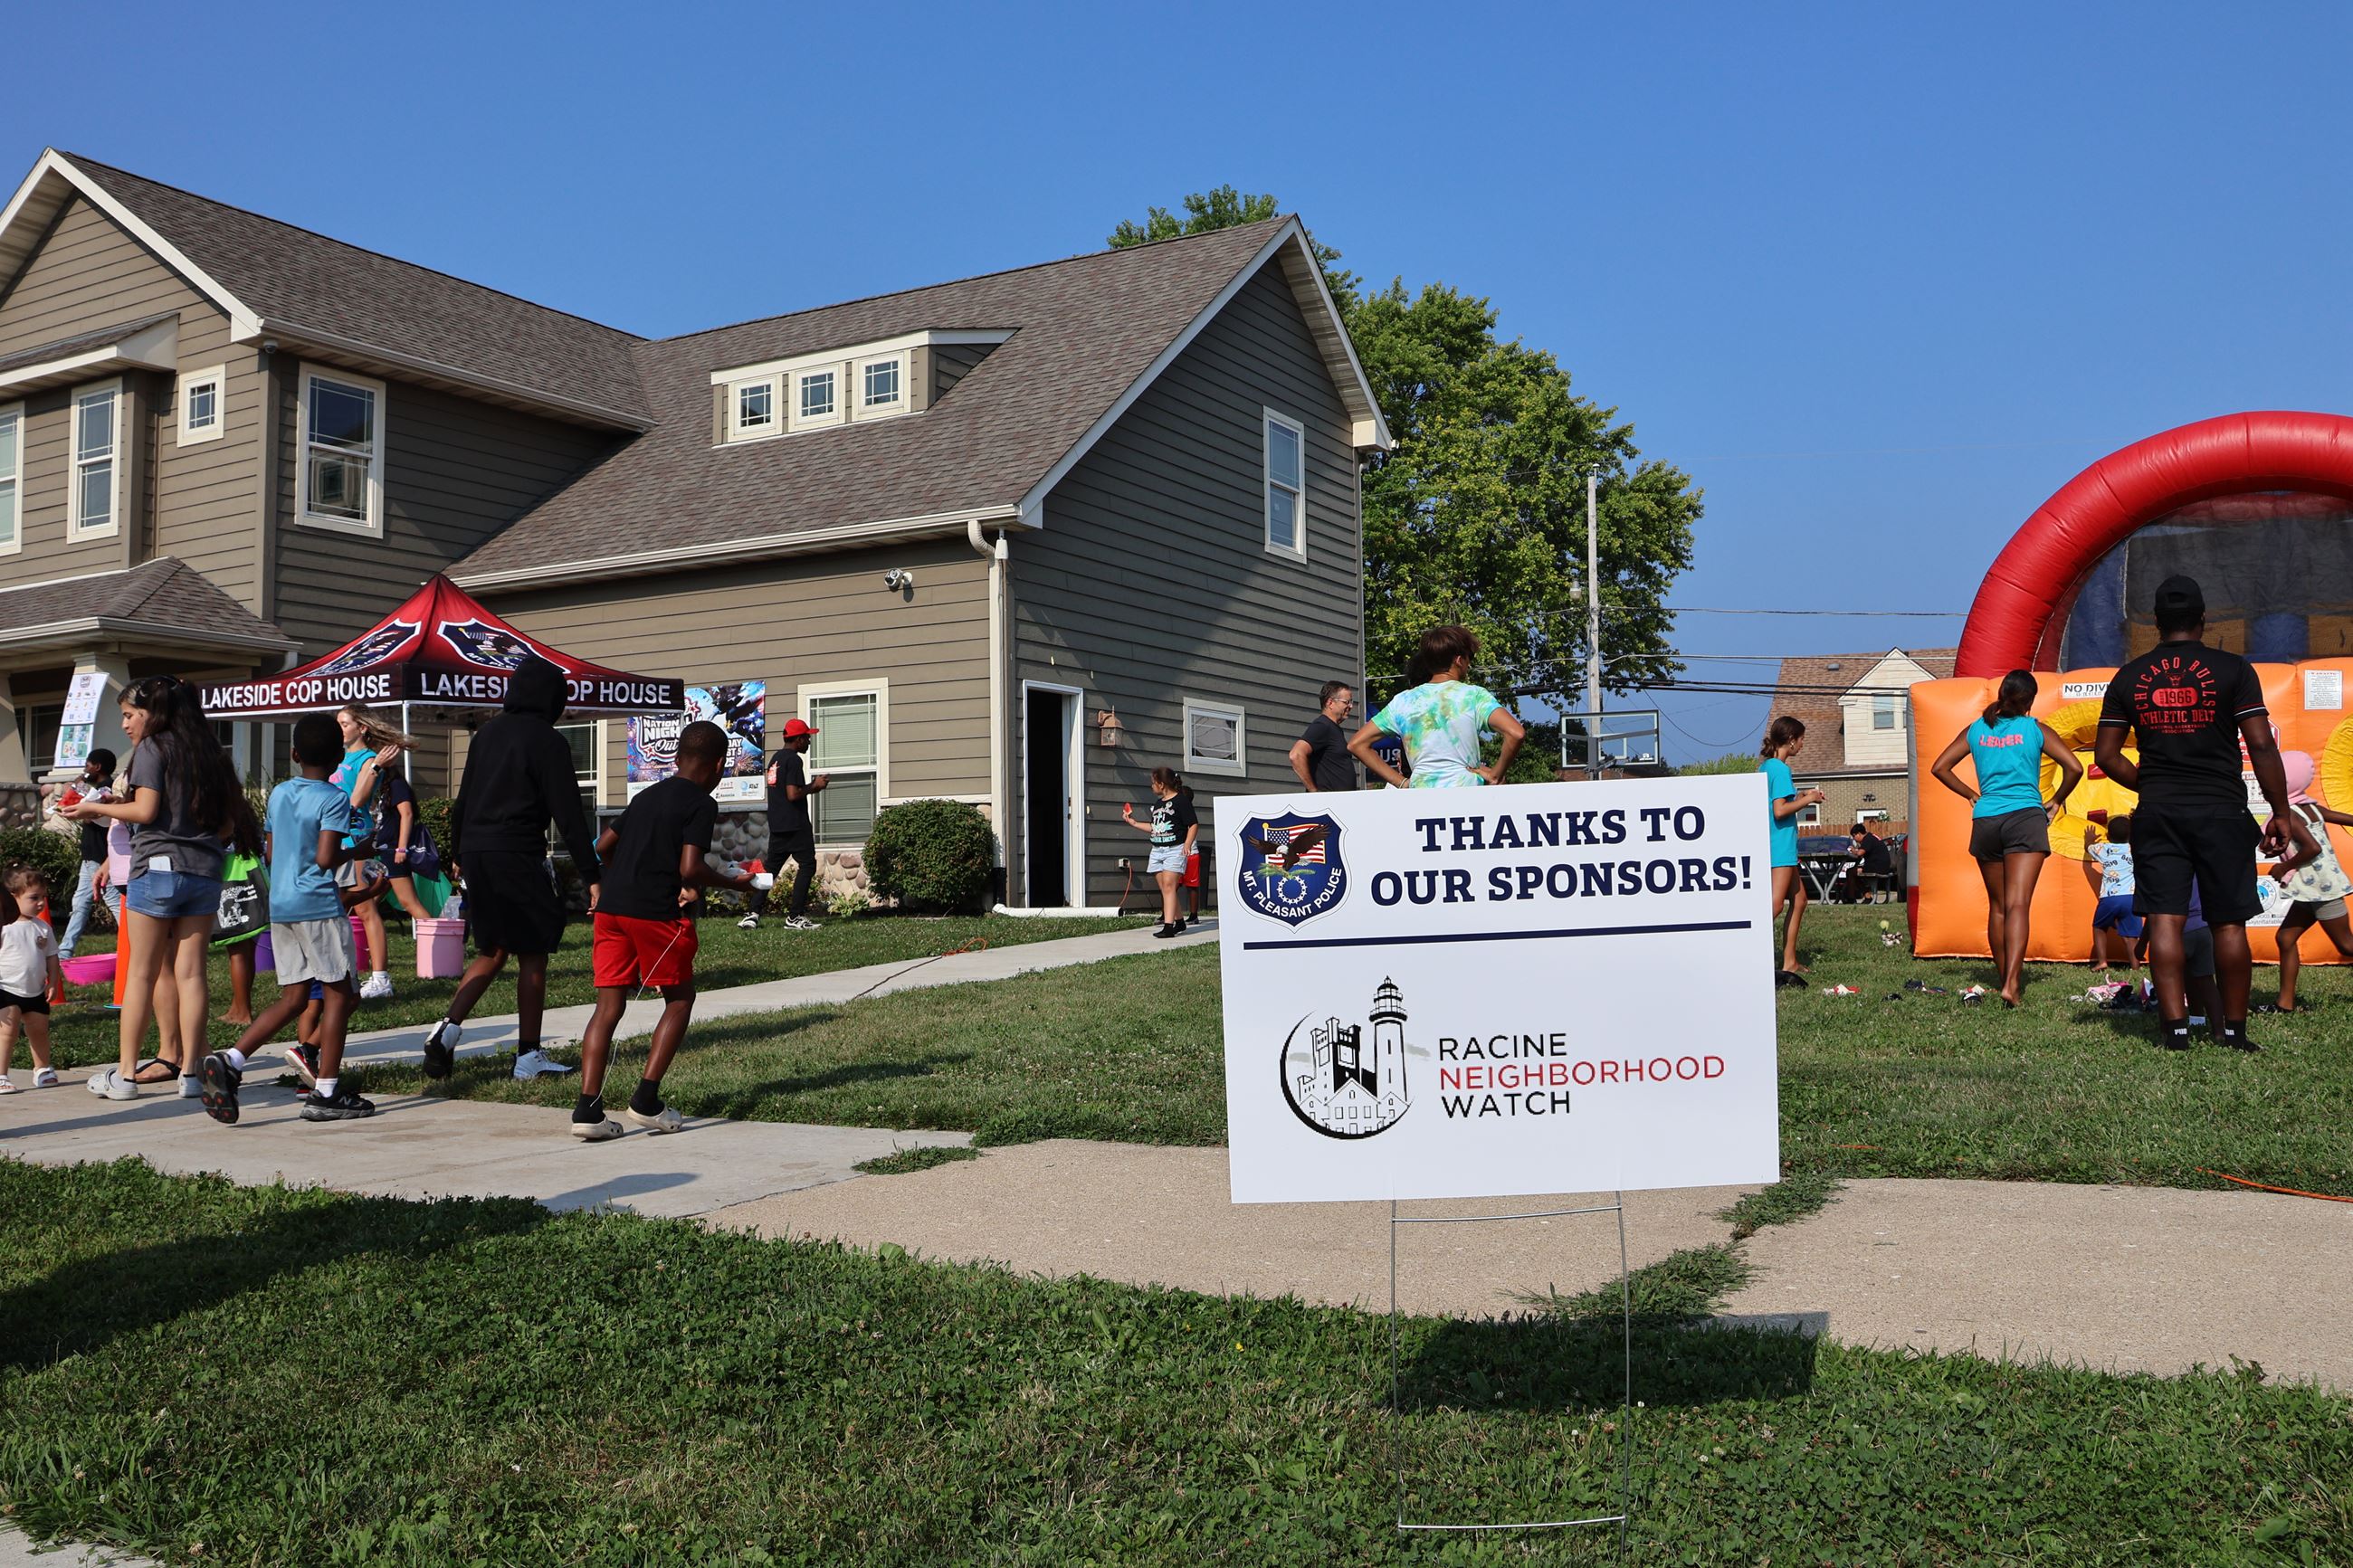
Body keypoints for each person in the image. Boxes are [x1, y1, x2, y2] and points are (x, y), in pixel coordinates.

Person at [2093, 575, 2315, 1051]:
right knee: (2228, 923)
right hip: (2221, 809)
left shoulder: (2129, 677)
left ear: (2155, 622)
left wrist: (2150, 783)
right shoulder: (2233, 670)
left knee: (2167, 920)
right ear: (2203, 618)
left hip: (2158, 814)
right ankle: (2233, 1031)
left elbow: (2107, 756)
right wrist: (2280, 811)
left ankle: (2174, 1031)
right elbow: (2259, 743)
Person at [67, 677, 259, 1100]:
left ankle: (125, 1077)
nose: (126, 724)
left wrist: (93, 807)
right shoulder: (211, 753)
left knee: (141, 972)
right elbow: (228, 824)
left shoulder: (153, 748)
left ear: (154, 712)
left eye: (130, 715)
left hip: (156, 870)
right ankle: (191, 1074)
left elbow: (148, 809)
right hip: (206, 871)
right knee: (192, 973)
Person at [569, 721, 757, 1142]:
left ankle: (588, 1110)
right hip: (653, 913)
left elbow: (602, 848)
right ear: (719, 766)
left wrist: (627, 877)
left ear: (676, 759)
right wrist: (735, 882)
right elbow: (691, 867)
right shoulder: (701, 804)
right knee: (679, 998)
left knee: (607, 1008)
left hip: (612, 910)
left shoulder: (647, 795)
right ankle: (646, 1101)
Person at [423, 656, 603, 1080]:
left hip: (477, 854)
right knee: (534, 953)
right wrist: (593, 874)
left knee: (494, 948)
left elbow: (463, 799)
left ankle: (445, 1033)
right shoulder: (548, 741)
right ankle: (528, 1056)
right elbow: (569, 815)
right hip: (517, 854)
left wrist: (460, 853)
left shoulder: (485, 735)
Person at [198, 715, 384, 1125]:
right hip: (318, 906)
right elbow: (324, 858)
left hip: (280, 906)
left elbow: (269, 853)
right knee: (340, 996)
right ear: (339, 758)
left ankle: (232, 1059)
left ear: (295, 754)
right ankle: (327, 1091)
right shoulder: (334, 798)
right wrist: (359, 850)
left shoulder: (280, 794)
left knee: (294, 998)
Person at [1929, 669, 2082, 1006]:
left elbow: (1940, 767)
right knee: (2018, 905)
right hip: (2025, 818)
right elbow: (2074, 767)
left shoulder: (1977, 729)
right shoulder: (2034, 728)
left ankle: (2003, 977)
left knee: (1998, 906)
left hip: (1986, 821)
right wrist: (2056, 800)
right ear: (2028, 701)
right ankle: (2012, 983)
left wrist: (1971, 795)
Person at [1347, 625, 1525, 788]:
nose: (1470, 663)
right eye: (1470, 656)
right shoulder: (1473, 696)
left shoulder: (1403, 701)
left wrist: (1401, 783)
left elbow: (1357, 744)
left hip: (1422, 798)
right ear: (1459, 660)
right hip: (1466, 795)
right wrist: (1496, 774)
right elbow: (1515, 733)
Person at [335, 704, 417, 1000]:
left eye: (344, 724)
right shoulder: (340, 757)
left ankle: (381, 978)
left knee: (364, 908)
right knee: (340, 909)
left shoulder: (370, 759)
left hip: (356, 837)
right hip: (336, 835)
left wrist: (374, 767)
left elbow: (357, 798)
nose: (339, 728)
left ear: (362, 728)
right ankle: (344, 974)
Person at [2263, 751, 2353, 1013]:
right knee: (2285, 938)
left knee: (2346, 944)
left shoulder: (2291, 813)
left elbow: (2312, 848)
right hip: (2309, 890)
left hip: (2322, 889)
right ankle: (2285, 1004)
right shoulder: (2308, 807)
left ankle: (2286, 1003)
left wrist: (2284, 866)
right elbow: (2342, 818)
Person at [739, 718, 827, 932]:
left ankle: (752, 914)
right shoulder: (794, 760)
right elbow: (793, 794)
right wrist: (814, 786)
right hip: (795, 825)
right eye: (806, 737)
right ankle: (795, 917)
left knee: (770, 870)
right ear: (797, 740)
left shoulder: (775, 760)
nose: (808, 741)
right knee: (807, 866)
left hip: (778, 824)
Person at [1759, 716, 1827, 978]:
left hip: (1778, 843)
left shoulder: (1767, 767)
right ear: (1791, 740)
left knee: (1799, 900)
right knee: (1775, 906)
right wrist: (1809, 798)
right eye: (1801, 739)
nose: (1802, 745)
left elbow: (1781, 803)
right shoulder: (1780, 768)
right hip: (1780, 846)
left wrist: (1802, 797)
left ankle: (1790, 962)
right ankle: (1741, 949)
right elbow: (1780, 811)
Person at [0, 866, 63, 1093]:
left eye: (43, 897)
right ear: (12, 898)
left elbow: (52, 957)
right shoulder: (5, 928)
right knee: (7, 1032)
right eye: (33, 897)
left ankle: (42, 1069)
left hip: (36, 991)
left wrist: (54, 982)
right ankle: (1, 1075)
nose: (41, 903)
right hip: (6, 989)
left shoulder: (43, 928)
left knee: (39, 1030)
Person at [1119, 767, 1198, 938]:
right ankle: (1179, 922)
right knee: (1165, 888)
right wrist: (1134, 823)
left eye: (1153, 783)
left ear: (1161, 784)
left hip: (1175, 849)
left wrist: (1187, 844)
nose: (1151, 786)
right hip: (1157, 850)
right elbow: (1155, 828)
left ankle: (1168, 927)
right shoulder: (1158, 804)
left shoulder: (1181, 801)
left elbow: (1193, 824)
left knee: (1169, 886)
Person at [55, 747, 119, 959]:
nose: (85, 769)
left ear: (97, 767)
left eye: (87, 765)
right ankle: (64, 951)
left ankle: (134, 947)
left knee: (115, 904)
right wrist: (78, 785)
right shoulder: (98, 789)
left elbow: (85, 814)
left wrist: (78, 793)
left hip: (102, 859)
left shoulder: (104, 790)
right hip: (91, 857)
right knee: (80, 904)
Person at [372, 752, 442, 926]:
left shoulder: (396, 784)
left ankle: (437, 940)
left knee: (409, 902)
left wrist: (401, 848)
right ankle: (364, 947)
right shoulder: (385, 788)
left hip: (393, 851)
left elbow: (407, 814)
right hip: (383, 851)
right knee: (368, 905)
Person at [2087, 815, 2143, 974]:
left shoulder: (2104, 849)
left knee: (2099, 927)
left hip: (2109, 898)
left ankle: (2102, 961)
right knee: (2131, 937)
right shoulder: (2135, 848)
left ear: (2107, 836)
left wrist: (2089, 839)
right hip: (2131, 898)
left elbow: (2089, 847)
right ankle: (2135, 966)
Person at [1288, 682, 1358, 793]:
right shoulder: (1322, 725)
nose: (1350, 706)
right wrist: (1314, 792)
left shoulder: (1333, 728)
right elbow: (1296, 755)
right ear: (1330, 703)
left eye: (1351, 702)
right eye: (1347, 702)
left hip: (1340, 803)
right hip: (1328, 805)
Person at [1833, 821, 1895, 903]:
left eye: (1854, 836)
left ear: (1859, 834)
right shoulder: (1872, 837)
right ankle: (1866, 896)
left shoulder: (1867, 839)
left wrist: (1853, 850)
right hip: (1884, 866)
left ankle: (1851, 898)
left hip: (1877, 866)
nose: (1854, 838)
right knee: (1854, 873)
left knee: (1851, 872)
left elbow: (1859, 853)